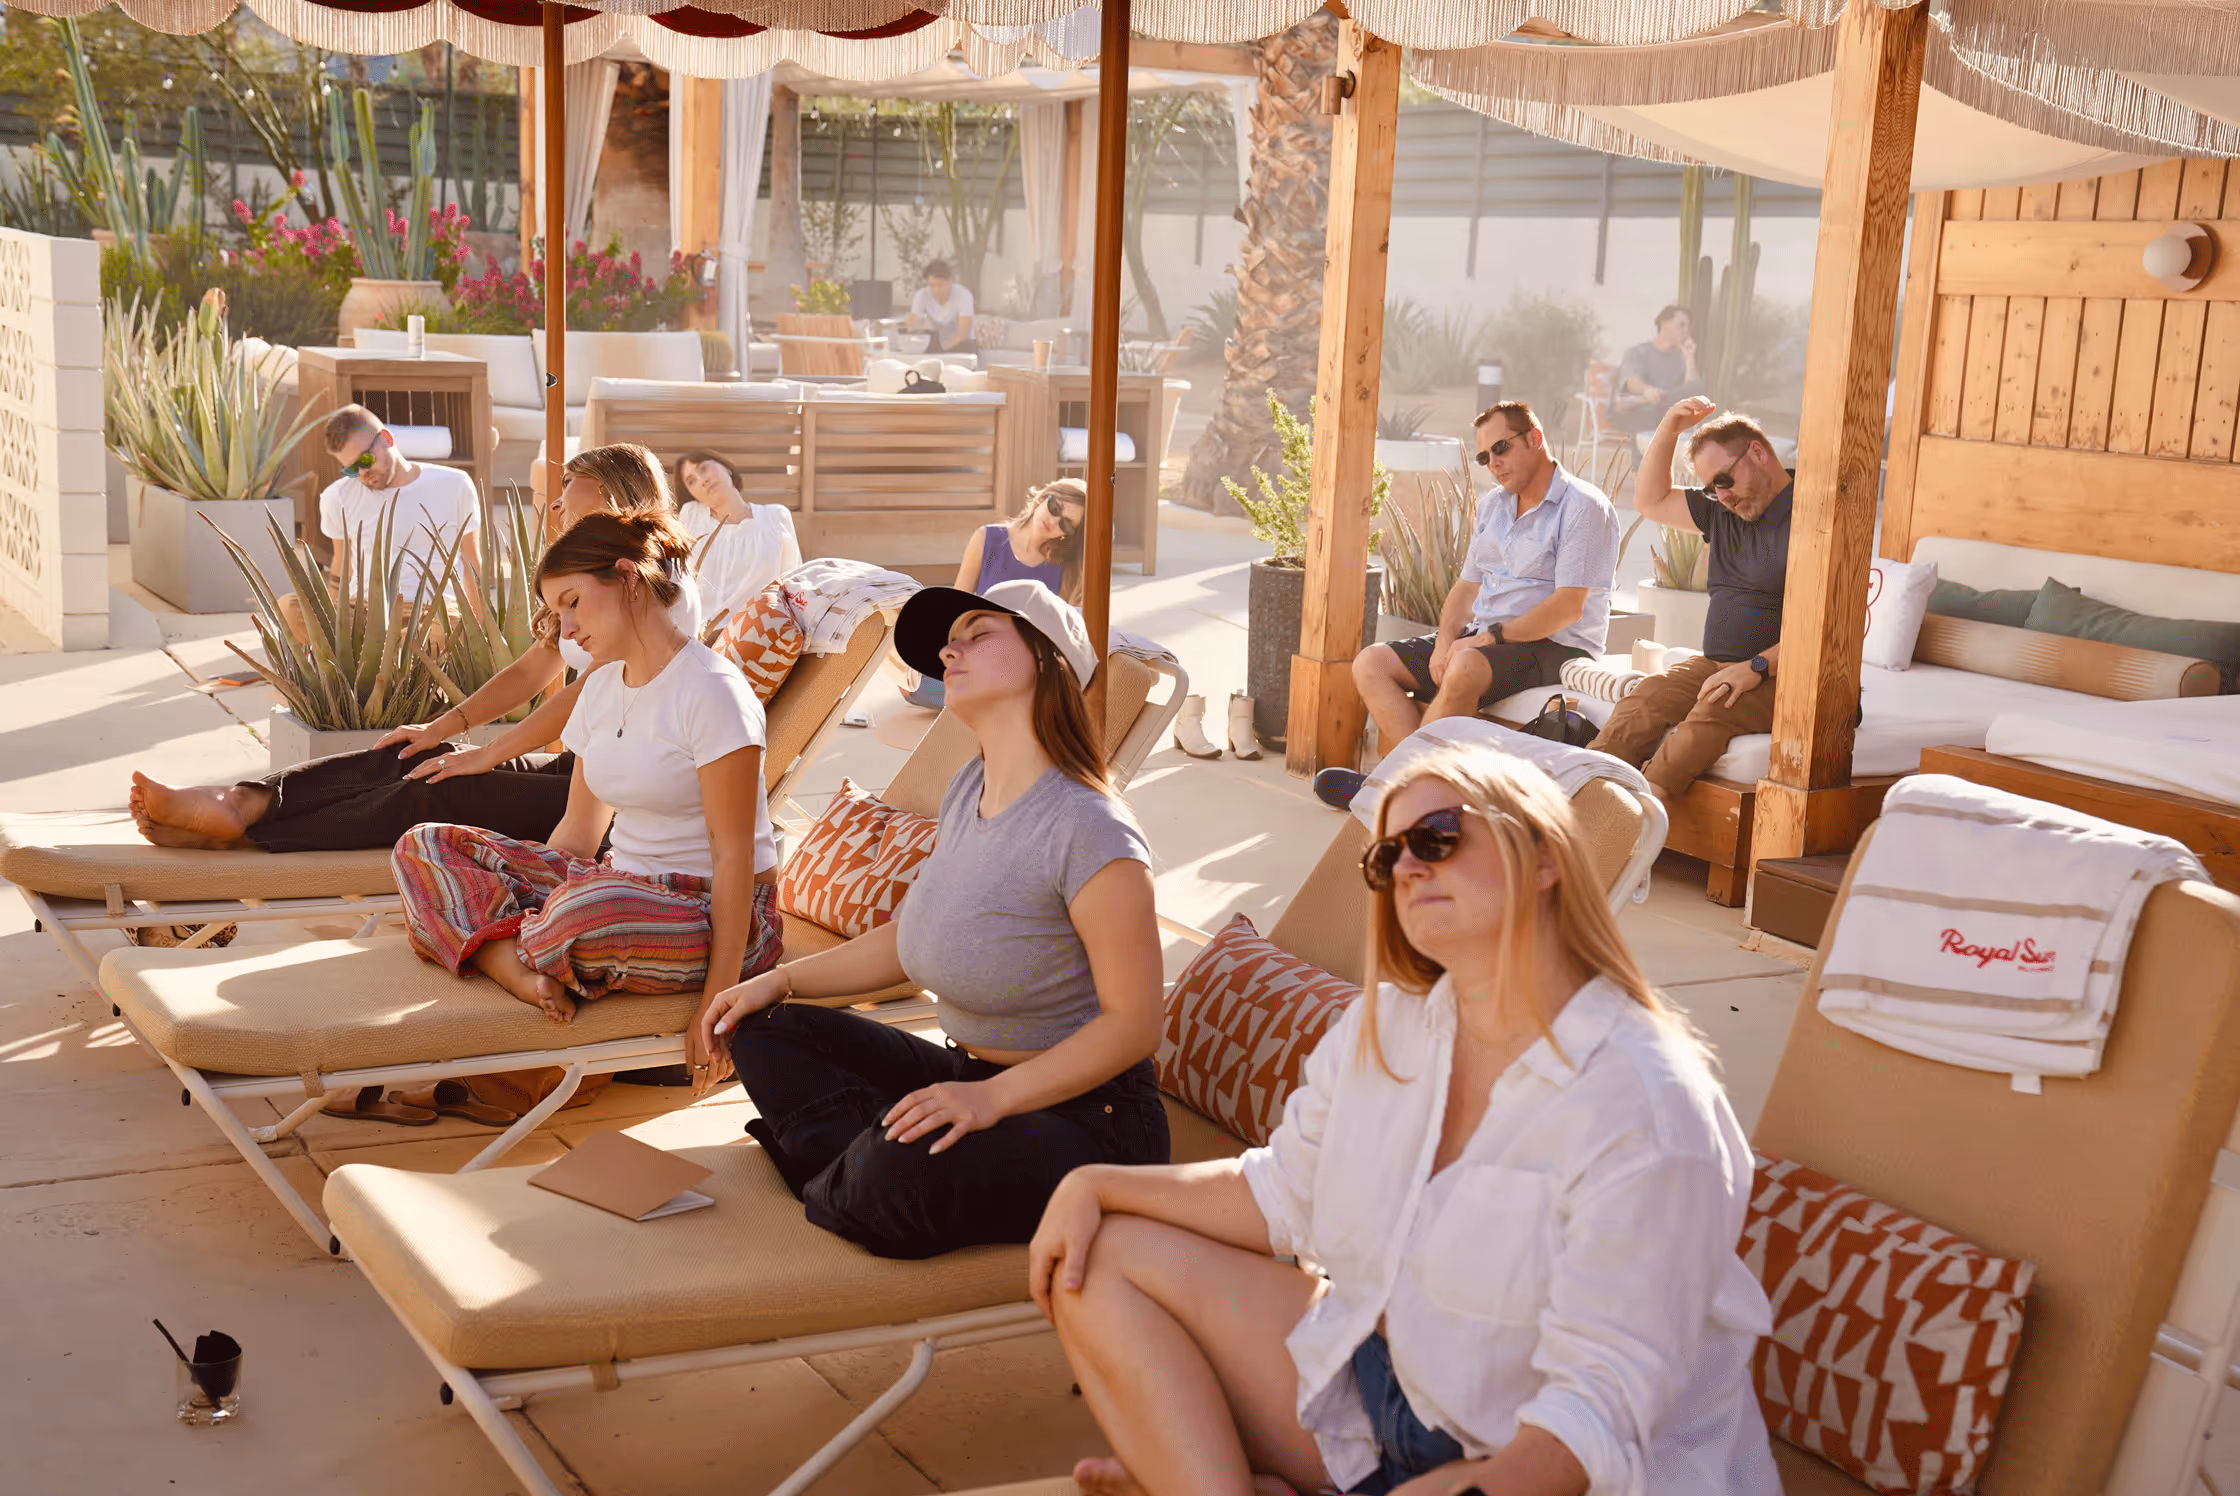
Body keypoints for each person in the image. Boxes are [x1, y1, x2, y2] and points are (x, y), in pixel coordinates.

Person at [1029, 743, 1778, 1496]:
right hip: (1380, 1395)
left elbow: (1591, 1422)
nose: (1410, 868)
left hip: (1535, 1465)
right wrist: (1094, 1184)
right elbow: (1287, 1192)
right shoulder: (1387, 1032)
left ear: (1545, 857)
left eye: (1439, 837)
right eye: (1386, 859)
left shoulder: (1641, 1103)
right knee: (1096, 1257)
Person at [696, 579, 1168, 1259]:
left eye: (979, 634)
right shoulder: (970, 788)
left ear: (1047, 660)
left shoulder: (1088, 829)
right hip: (968, 1077)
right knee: (766, 1031)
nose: (950, 652)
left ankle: (862, 1172)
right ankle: (857, 1175)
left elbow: (1137, 1023)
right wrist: (778, 983)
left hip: (1090, 1121)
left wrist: (993, 1102)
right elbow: (912, 935)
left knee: (898, 1170)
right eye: (951, 642)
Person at [128, 443, 702, 859]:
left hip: (622, 798)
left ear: (620, 504)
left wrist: (483, 754)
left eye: (570, 506)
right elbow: (534, 669)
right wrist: (441, 727)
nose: (555, 514)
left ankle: (248, 829)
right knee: (408, 756)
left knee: (443, 788)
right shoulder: (592, 584)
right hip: (578, 772)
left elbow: (584, 697)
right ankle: (244, 803)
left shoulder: (650, 590)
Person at [391, 507, 782, 1091]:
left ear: (627, 577)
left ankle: (495, 944)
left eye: (572, 602)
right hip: (616, 887)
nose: (566, 630)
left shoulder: (713, 694)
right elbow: (578, 830)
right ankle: (512, 960)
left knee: (587, 911)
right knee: (427, 844)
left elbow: (735, 859)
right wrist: (544, 885)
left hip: (709, 914)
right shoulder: (601, 686)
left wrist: (716, 1003)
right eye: (557, 613)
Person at [1331, 401, 1620, 807]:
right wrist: (1447, 639)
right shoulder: (1493, 507)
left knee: (1465, 665)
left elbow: (1568, 608)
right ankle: (1424, 795)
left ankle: (1388, 790)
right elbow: (1465, 589)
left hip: (1556, 644)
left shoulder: (1583, 507)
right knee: (1371, 663)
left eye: (1501, 448)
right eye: (1484, 456)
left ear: (1535, 439)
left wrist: (1484, 641)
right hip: (1488, 638)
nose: (1493, 464)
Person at [1590, 398, 1793, 801]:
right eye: (1712, 488)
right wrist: (1668, 429)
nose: (1722, 495)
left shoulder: (1812, 516)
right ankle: (1577, 806)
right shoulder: (1723, 508)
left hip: (1787, 675)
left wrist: (1756, 666)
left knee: (1712, 712)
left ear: (1758, 453)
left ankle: (1630, 826)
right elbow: (1651, 501)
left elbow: (1830, 631)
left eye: (1724, 480)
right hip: (1716, 664)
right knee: (1644, 700)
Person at [280, 404, 484, 644]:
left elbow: (471, 561)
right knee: (288, 608)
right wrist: (330, 622)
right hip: (364, 613)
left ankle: (390, 661)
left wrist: (479, 632)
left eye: (366, 459)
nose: (363, 472)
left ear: (387, 438)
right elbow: (342, 565)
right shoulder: (338, 497)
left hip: (433, 612)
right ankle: (389, 662)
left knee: (446, 631)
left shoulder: (454, 485)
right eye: (352, 468)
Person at [900, 479, 1087, 710]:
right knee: (911, 679)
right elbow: (953, 611)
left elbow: (1062, 640)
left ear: (1068, 535)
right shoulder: (987, 539)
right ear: (1042, 499)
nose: (1054, 520)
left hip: (1020, 667)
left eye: (1067, 524)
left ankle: (985, 700)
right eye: (1055, 507)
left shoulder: (1065, 571)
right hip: (972, 652)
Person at [672, 449, 803, 626]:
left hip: (759, 632)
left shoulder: (776, 516)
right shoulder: (691, 515)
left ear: (727, 469)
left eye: (703, 468)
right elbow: (676, 581)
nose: (702, 480)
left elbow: (794, 580)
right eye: (691, 481)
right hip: (699, 635)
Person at [1612, 305, 1708, 435]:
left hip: (1662, 410)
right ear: (1664, 324)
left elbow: (1693, 388)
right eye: (1681, 325)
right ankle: (1644, 454)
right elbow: (1633, 382)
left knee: (1697, 391)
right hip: (1635, 411)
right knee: (1647, 410)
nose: (1686, 330)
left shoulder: (1680, 358)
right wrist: (1647, 391)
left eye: (1688, 326)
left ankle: (1645, 401)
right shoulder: (1638, 352)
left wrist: (1689, 357)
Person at [908, 258, 975, 354]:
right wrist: (912, 324)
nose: (936, 290)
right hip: (935, 341)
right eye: (932, 285)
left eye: (940, 285)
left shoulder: (964, 295)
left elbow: (963, 334)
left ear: (950, 282)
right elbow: (915, 326)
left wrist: (941, 351)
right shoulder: (922, 296)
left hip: (961, 344)